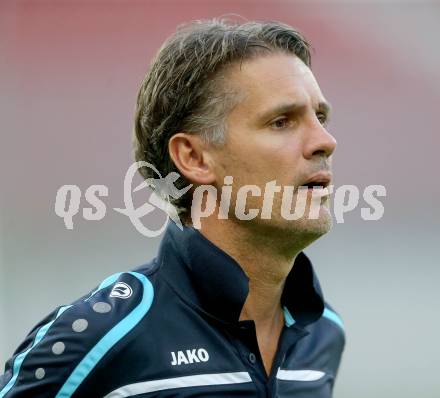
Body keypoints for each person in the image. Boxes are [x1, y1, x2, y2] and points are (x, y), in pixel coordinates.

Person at [0, 19, 345, 397]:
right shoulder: (102, 337)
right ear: (194, 158)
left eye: (321, 117)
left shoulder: (323, 334)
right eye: (282, 122)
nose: (325, 141)